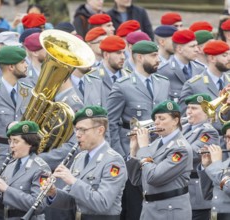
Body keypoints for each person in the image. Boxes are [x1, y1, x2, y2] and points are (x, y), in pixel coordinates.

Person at [107, 40, 170, 220]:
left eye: (157, 55)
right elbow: (111, 122)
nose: (158, 59)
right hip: (132, 151)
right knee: (134, 204)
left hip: (158, 150)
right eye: (153, 56)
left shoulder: (163, 82)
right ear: (140, 57)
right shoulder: (123, 85)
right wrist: (121, 154)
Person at [44, 105, 127, 219]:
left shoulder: (114, 161)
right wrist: (53, 193)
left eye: (83, 130)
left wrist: (73, 181)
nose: (77, 134)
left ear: (100, 130)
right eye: (76, 129)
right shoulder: (80, 158)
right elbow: (71, 201)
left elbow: (103, 203)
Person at [126, 100, 193, 220]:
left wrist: (144, 147)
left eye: (162, 118)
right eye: (155, 118)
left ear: (175, 120)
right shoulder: (156, 143)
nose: (156, 122)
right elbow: (136, 179)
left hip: (170, 212)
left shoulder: (180, 148)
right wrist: (133, 151)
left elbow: (154, 177)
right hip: (149, 209)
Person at [0, 120, 51, 219]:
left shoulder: (41, 168)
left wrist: (7, 189)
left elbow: (39, 205)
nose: (11, 145)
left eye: (16, 141)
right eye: (10, 141)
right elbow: (1, 202)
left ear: (29, 143)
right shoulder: (9, 165)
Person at [179, 40, 230, 133]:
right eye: (225, 55)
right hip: (206, 138)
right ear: (212, 58)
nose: (229, 58)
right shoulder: (193, 84)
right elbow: (185, 118)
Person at [183, 94, 220, 220]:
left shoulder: (208, 132)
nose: (188, 111)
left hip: (196, 193)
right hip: (182, 192)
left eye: (193, 108)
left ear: (206, 111)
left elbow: (192, 153)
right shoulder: (184, 128)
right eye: (188, 108)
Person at [158, 29, 204, 103]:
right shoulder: (163, 71)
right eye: (192, 46)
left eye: (196, 46)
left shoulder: (201, 69)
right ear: (179, 49)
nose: (197, 50)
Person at [198, 121, 230, 219]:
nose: (228, 141)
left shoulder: (219, 166)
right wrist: (207, 166)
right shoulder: (223, 164)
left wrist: (216, 165)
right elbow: (208, 194)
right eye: (227, 137)